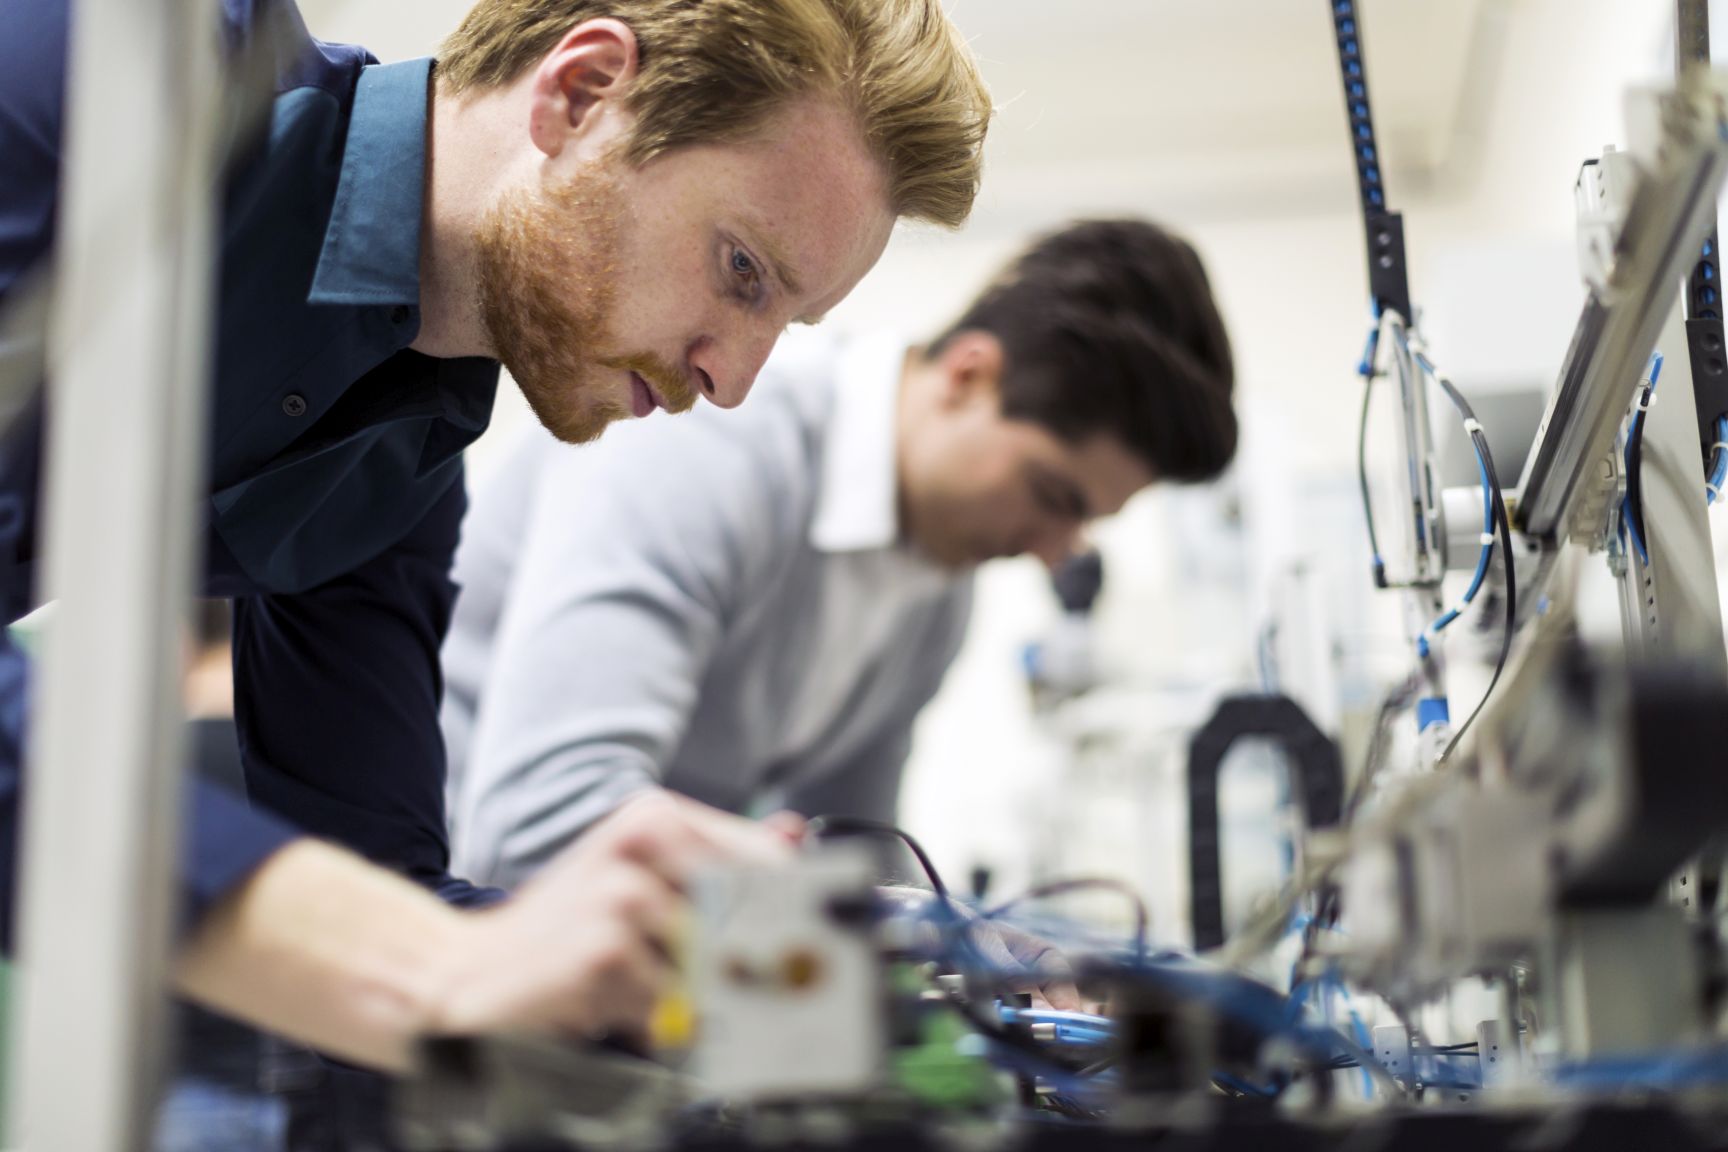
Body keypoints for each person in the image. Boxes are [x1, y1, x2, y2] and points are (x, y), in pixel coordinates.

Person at [0, 0, 991, 1074]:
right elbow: (407, 953)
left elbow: (382, 890)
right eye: (740, 270)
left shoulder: (400, 471)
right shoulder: (114, 56)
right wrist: (416, 960)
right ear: (581, 94)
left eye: (781, 326)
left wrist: (818, 971)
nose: (733, 379)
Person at [443, 218, 1238, 893]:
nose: (1054, 552)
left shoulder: (935, 590)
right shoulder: (713, 439)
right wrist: (890, 927)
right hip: (423, 950)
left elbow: (858, 853)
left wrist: (973, 946)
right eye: (1055, 497)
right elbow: (537, 828)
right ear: (968, 375)